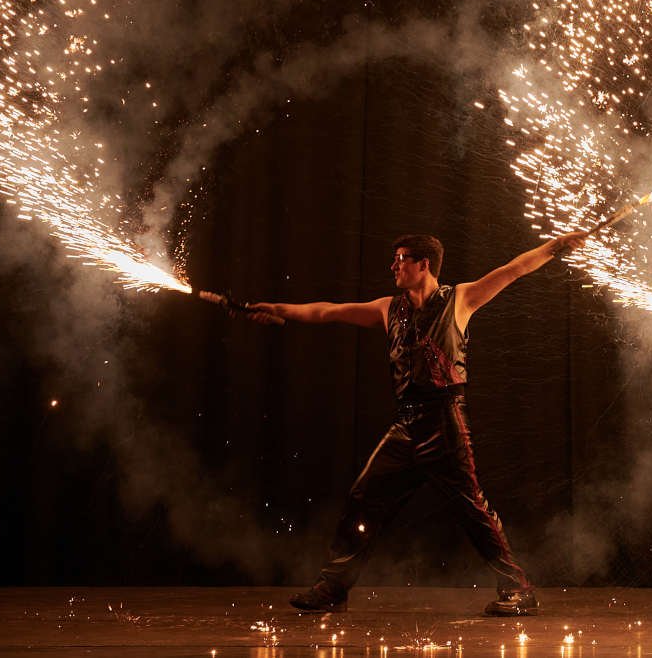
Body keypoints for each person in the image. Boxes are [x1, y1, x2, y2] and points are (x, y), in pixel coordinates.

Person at [209, 230, 587, 616]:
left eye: (402, 258)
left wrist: (558, 246)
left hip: (446, 422)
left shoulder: (460, 299)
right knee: (363, 498)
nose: (393, 266)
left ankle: (519, 589)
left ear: (424, 264)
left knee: (472, 508)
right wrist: (274, 308)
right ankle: (333, 588)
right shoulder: (388, 308)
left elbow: (515, 269)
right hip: (407, 425)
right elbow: (326, 311)